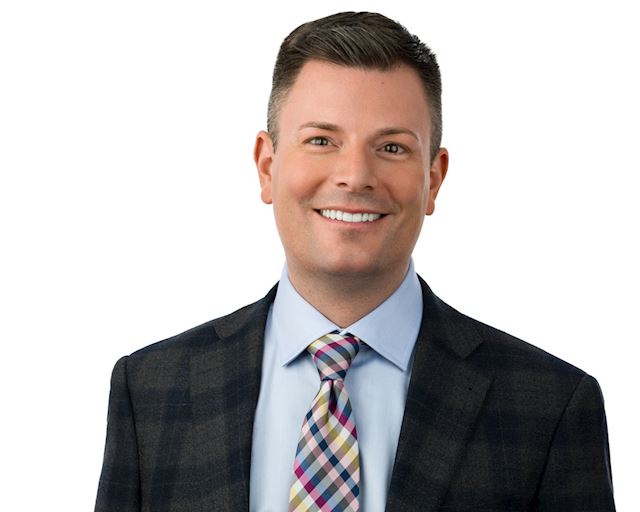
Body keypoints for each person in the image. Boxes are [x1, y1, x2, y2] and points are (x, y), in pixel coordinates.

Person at [94, 11, 615, 512]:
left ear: (434, 179)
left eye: (392, 148)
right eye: (321, 140)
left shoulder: (551, 406)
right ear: (267, 167)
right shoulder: (150, 390)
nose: (355, 176)